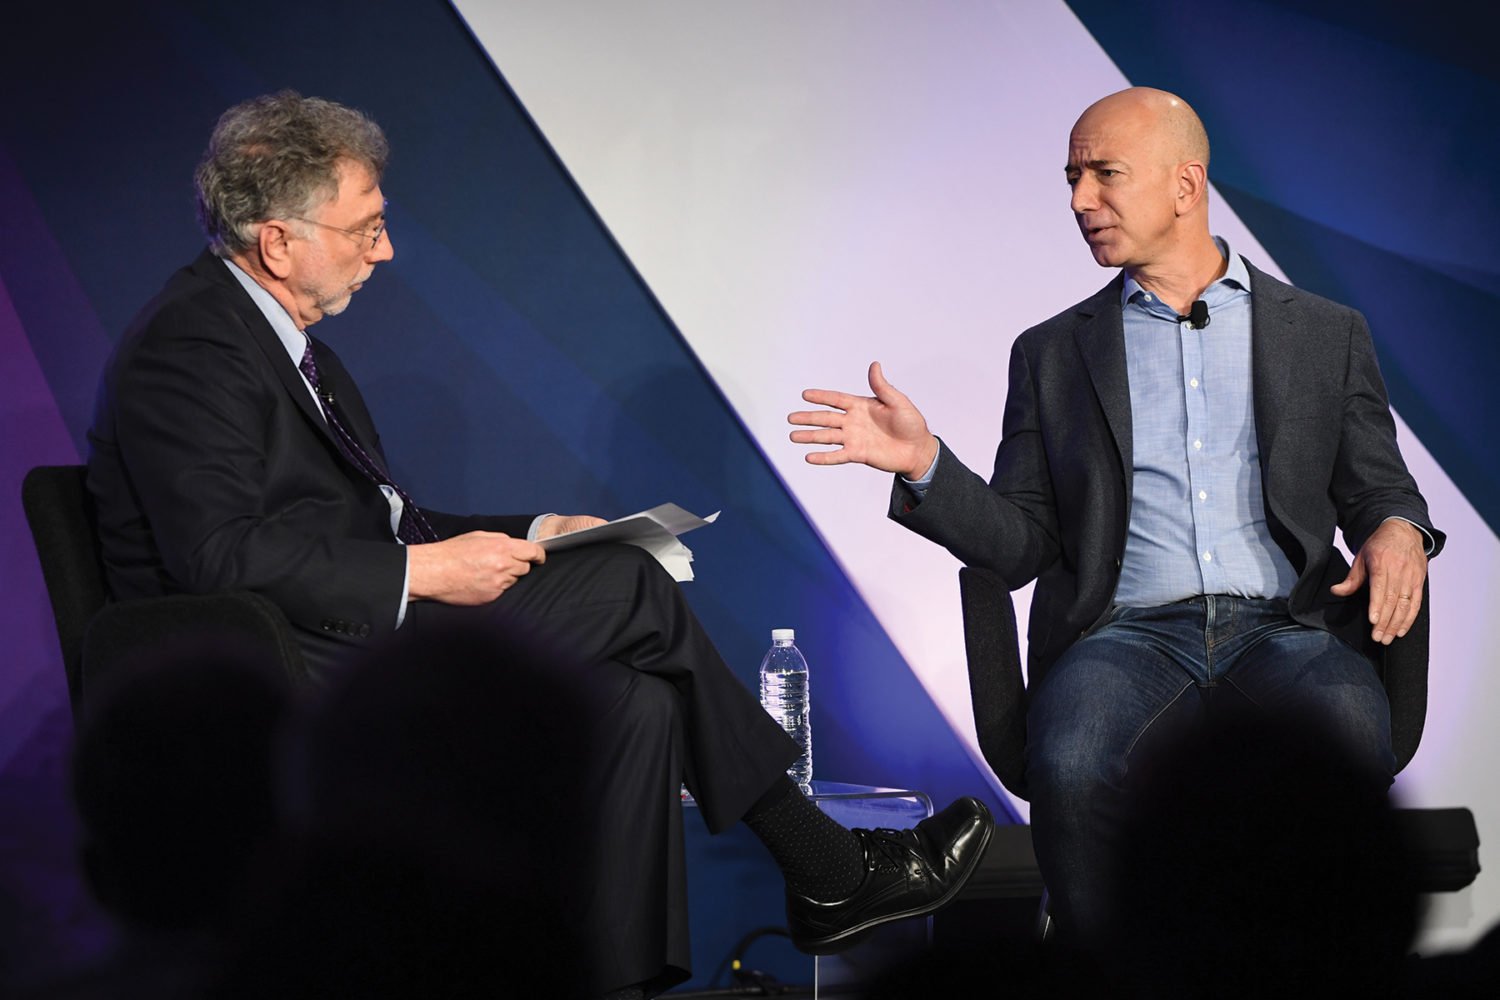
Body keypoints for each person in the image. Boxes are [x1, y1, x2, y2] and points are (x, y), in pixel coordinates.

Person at [85, 91, 992, 997]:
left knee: (637, 701)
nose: (386, 251)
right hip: (289, 666)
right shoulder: (194, 346)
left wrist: (533, 530)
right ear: (279, 242)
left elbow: (378, 517)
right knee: (634, 587)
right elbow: (220, 557)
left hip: (341, 634)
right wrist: (430, 570)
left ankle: (613, 981)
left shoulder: (278, 340)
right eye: (365, 230)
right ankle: (829, 874)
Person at [789, 86, 1442, 948]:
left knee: (1349, 741)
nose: (1079, 201)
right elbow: (1019, 545)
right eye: (1071, 178)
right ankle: (1102, 971)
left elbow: (1379, 486)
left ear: (1185, 185)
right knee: (1070, 759)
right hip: (1125, 634)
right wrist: (926, 466)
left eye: (1104, 175)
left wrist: (1400, 528)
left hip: (1287, 628)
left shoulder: (1324, 332)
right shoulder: (1053, 352)